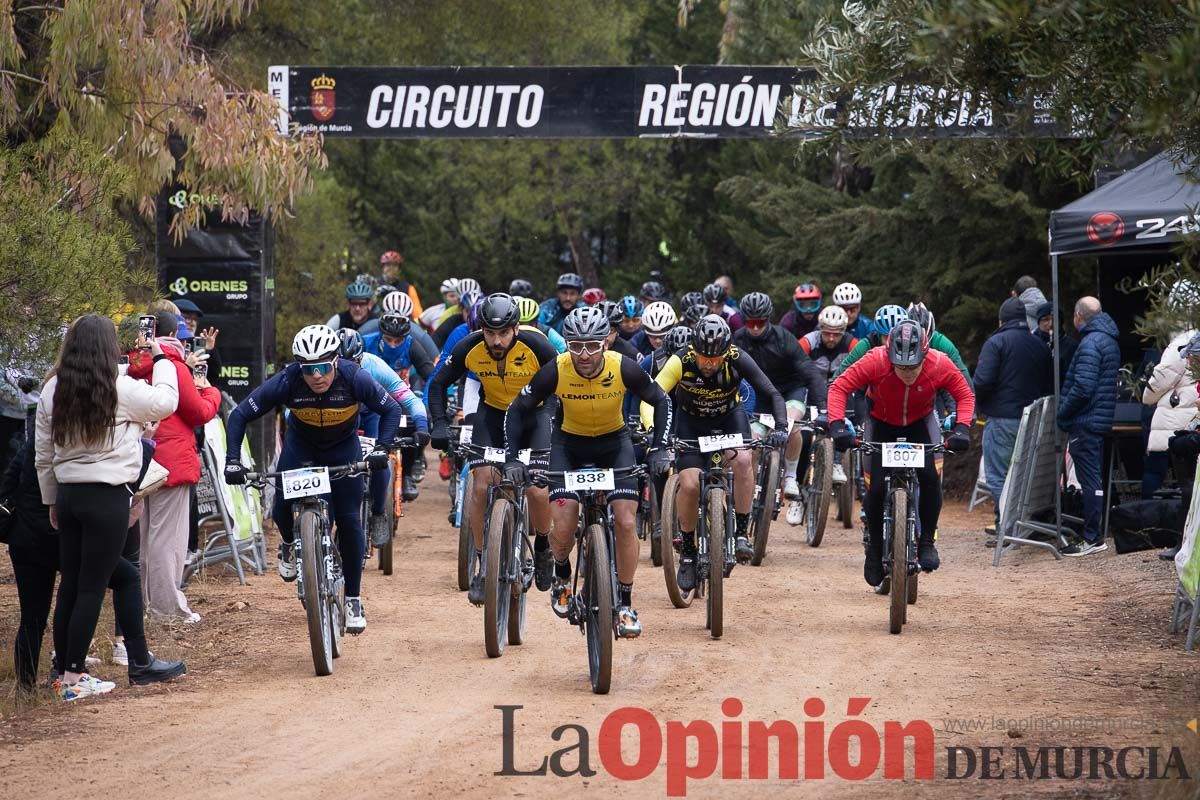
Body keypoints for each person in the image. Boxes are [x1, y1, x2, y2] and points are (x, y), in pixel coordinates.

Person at [35, 315, 186, 699]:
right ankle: (73, 679)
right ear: (107, 348)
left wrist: (51, 498)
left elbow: (43, 453)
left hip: (69, 495)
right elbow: (167, 402)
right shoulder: (118, 388)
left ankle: (124, 663)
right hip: (107, 497)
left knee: (81, 581)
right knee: (91, 586)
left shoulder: (53, 389)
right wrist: (162, 359)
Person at [504, 306, 672, 638]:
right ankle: (563, 577)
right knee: (563, 526)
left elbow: (661, 399)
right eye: (576, 345)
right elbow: (518, 408)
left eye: (592, 345)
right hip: (568, 447)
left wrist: (660, 446)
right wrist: (512, 458)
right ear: (566, 344)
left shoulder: (624, 367)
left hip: (615, 444)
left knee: (625, 521)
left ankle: (624, 603)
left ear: (605, 344)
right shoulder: (555, 370)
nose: (584, 354)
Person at [223, 325, 403, 633]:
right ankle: (291, 544)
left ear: (335, 362)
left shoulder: (354, 377)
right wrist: (232, 461)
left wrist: (382, 449)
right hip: (301, 448)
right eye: (308, 370)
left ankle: (353, 600)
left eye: (322, 367)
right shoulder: (288, 380)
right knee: (280, 507)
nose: (316, 376)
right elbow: (240, 414)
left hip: (342, 450)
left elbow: (391, 409)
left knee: (348, 520)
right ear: (298, 368)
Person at [426, 294, 558, 604]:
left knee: (538, 490)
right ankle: (484, 563)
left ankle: (542, 546)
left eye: (502, 333)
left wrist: (551, 419)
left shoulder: (537, 345)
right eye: (489, 333)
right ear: (481, 329)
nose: (496, 341)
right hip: (493, 415)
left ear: (515, 328)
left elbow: (560, 381)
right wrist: (440, 424)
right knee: (482, 484)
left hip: (533, 416)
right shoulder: (469, 346)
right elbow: (437, 383)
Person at [825, 320, 974, 586]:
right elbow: (839, 387)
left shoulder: (939, 363)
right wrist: (837, 424)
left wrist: (962, 428)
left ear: (925, 356)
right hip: (881, 423)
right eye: (900, 366)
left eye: (913, 367)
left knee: (930, 478)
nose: (907, 373)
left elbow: (964, 394)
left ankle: (927, 541)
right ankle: (874, 551)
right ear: (889, 355)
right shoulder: (875, 360)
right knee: (876, 489)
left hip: (920, 423)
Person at [641, 315, 787, 578]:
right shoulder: (682, 359)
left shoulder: (737, 357)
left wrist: (781, 427)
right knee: (690, 484)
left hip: (729, 418)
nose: (708, 364)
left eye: (715, 359)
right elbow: (651, 397)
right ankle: (687, 552)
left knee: (743, 461)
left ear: (725, 352)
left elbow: (772, 392)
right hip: (691, 423)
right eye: (703, 358)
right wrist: (656, 435)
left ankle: (742, 533)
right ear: (694, 349)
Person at [127, 310, 220, 621]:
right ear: (174, 336)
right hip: (170, 464)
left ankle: (138, 605)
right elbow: (199, 413)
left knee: (140, 541)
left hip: (135, 461)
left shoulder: (130, 365)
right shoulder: (174, 366)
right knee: (167, 541)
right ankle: (168, 609)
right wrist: (210, 391)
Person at [335, 329, 430, 545]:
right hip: (340, 418)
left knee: (379, 461)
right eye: (342, 363)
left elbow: (406, 396)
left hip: (371, 415)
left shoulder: (374, 365)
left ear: (362, 357)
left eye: (354, 362)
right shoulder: (324, 372)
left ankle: (378, 513)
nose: (349, 369)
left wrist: (422, 423)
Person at [733, 292, 828, 500]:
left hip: (790, 390)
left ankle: (791, 476)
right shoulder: (737, 339)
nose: (755, 327)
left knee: (791, 424)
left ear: (768, 319)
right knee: (753, 443)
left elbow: (810, 372)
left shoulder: (783, 337)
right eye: (750, 322)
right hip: (760, 395)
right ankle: (752, 483)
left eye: (760, 322)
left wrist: (823, 408)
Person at [973, 297, 1053, 527]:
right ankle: (1020, 523)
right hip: (1033, 420)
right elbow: (1048, 383)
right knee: (1024, 477)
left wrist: (982, 404)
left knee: (998, 476)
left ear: (1001, 320)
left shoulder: (996, 342)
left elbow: (982, 381)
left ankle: (1007, 527)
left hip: (1001, 419)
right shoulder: (1039, 344)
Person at [1057, 296, 1120, 557]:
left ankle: (1092, 537)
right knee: (1095, 479)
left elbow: (1083, 387)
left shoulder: (1090, 343)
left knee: (1090, 480)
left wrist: (1063, 412)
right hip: (1098, 420)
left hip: (1085, 420)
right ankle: (1095, 533)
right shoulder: (1108, 339)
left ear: (1078, 315)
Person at [1142, 332, 1200, 550]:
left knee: (1158, 471)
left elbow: (1158, 382)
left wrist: (1146, 397)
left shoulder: (1180, 344)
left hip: (1173, 419)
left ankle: (1153, 529)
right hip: (1190, 420)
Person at [799, 305, 859, 485]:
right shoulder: (809, 341)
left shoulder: (852, 343)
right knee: (805, 437)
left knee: (844, 426)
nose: (831, 338)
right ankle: (799, 489)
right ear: (820, 330)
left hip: (839, 392)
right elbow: (792, 360)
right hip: (812, 392)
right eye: (827, 333)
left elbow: (864, 366)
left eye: (836, 334)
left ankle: (837, 462)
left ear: (843, 331)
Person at [1034, 301, 1079, 384]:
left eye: (1054, 319)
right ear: (1039, 322)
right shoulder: (1031, 344)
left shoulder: (1071, 346)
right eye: (1045, 319)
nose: (1051, 324)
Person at [379, 250, 425, 319]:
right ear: (383, 268)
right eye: (388, 265)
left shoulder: (408, 288)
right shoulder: (375, 285)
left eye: (394, 265)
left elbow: (417, 314)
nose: (391, 268)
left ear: (399, 269)